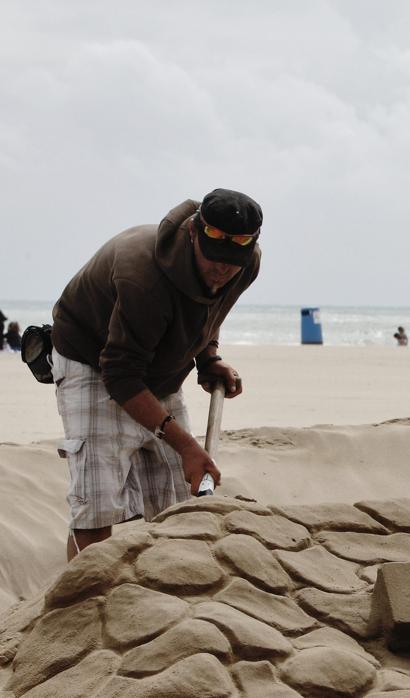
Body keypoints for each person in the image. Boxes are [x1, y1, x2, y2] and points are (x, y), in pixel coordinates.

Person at [51, 188, 261, 561]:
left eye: (232, 262)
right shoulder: (142, 273)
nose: (221, 269)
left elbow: (209, 313)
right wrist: (186, 445)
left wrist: (208, 358)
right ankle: (83, 604)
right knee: (96, 503)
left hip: (157, 369)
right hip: (92, 361)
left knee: (177, 506)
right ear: (194, 233)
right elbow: (119, 373)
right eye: (213, 258)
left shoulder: (246, 265)